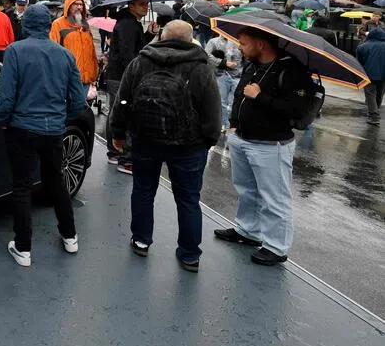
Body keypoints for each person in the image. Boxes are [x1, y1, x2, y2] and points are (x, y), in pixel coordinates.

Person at [110, 21, 220, 272]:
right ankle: (190, 254)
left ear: (161, 36)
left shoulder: (141, 62)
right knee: (189, 200)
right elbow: (212, 111)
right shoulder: (200, 68)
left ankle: (141, 240)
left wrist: (118, 133)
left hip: (145, 140)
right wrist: (208, 141)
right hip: (188, 146)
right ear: (191, 41)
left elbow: (123, 100)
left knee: (143, 191)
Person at [215, 27, 314, 265]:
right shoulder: (253, 65)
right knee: (246, 190)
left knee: (274, 197)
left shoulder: (291, 71)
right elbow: (240, 94)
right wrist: (234, 125)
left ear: (261, 44)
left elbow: (297, 109)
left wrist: (261, 98)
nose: (239, 48)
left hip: (271, 143)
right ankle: (248, 231)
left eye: (243, 43)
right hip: (242, 138)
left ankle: (276, 247)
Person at [0, 3, 86, 267]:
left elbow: (6, 97)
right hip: (54, 131)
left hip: (22, 128)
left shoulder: (15, 52)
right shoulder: (65, 56)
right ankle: (70, 236)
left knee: (22, 186)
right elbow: (79, 102)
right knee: (55, 181)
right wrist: (61, 118)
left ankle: (23, 248)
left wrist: (4, 121)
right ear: (49, 26)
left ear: (25, 26)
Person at [105, 0, 158, 172]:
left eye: (146, 4)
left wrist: (149, 34)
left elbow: (135, 47)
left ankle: (115, 153)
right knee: (123, 115)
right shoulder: (128, 24)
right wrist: (134, 75)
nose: (146, 7)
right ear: (131, 6)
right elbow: (128, 53)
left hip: (119, 75)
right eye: (142, 4)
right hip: (122, 76)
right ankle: (125, 158)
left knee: (117, 112)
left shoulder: (128, 22)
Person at [50, 0, 98, 88]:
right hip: (67, 79)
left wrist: (94, 73)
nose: (79, 7)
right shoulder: (58, 24)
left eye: (81, 5)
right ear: (68, 6)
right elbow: (53, 51)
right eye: (75, 4)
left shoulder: (85, 26)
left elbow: (92, 52)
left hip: (86, 79)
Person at [204, 32, 243, 130]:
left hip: (238, 76)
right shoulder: (213, 42)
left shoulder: (239, 42)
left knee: (234, 101)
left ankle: (232, 124)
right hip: (221, 75)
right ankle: (223, 125)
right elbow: (206, 55)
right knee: (222, 102)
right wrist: (222, 62)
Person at [356, 25, 385, 126]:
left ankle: (374, 115)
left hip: (369, 74)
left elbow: (359, 62)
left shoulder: (362, 46)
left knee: (370, 94)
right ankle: (375, 111)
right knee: (379, 93)